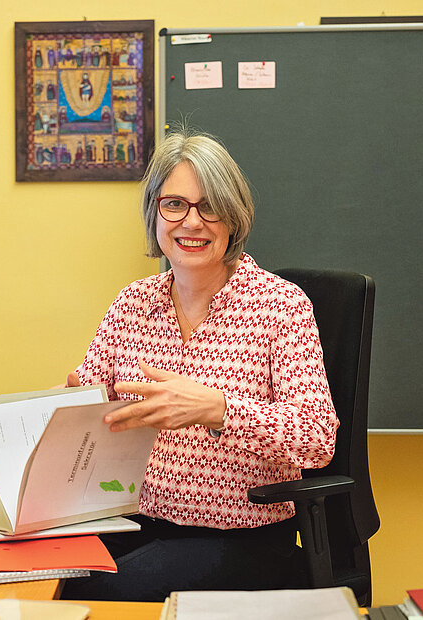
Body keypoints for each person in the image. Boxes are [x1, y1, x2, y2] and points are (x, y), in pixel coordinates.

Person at [58, 130, 338, 602]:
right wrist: (78, 408)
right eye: (175, 205)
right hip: (133, 519)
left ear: (234, 217)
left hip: (239, 536)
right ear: (155, 214)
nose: (192, 222)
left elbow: (317, 441)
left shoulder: (280, 306)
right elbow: (92, 403)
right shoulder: (131, 303)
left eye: (210, 206)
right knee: (44, 574)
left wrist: (219, 409)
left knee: (99, 594)